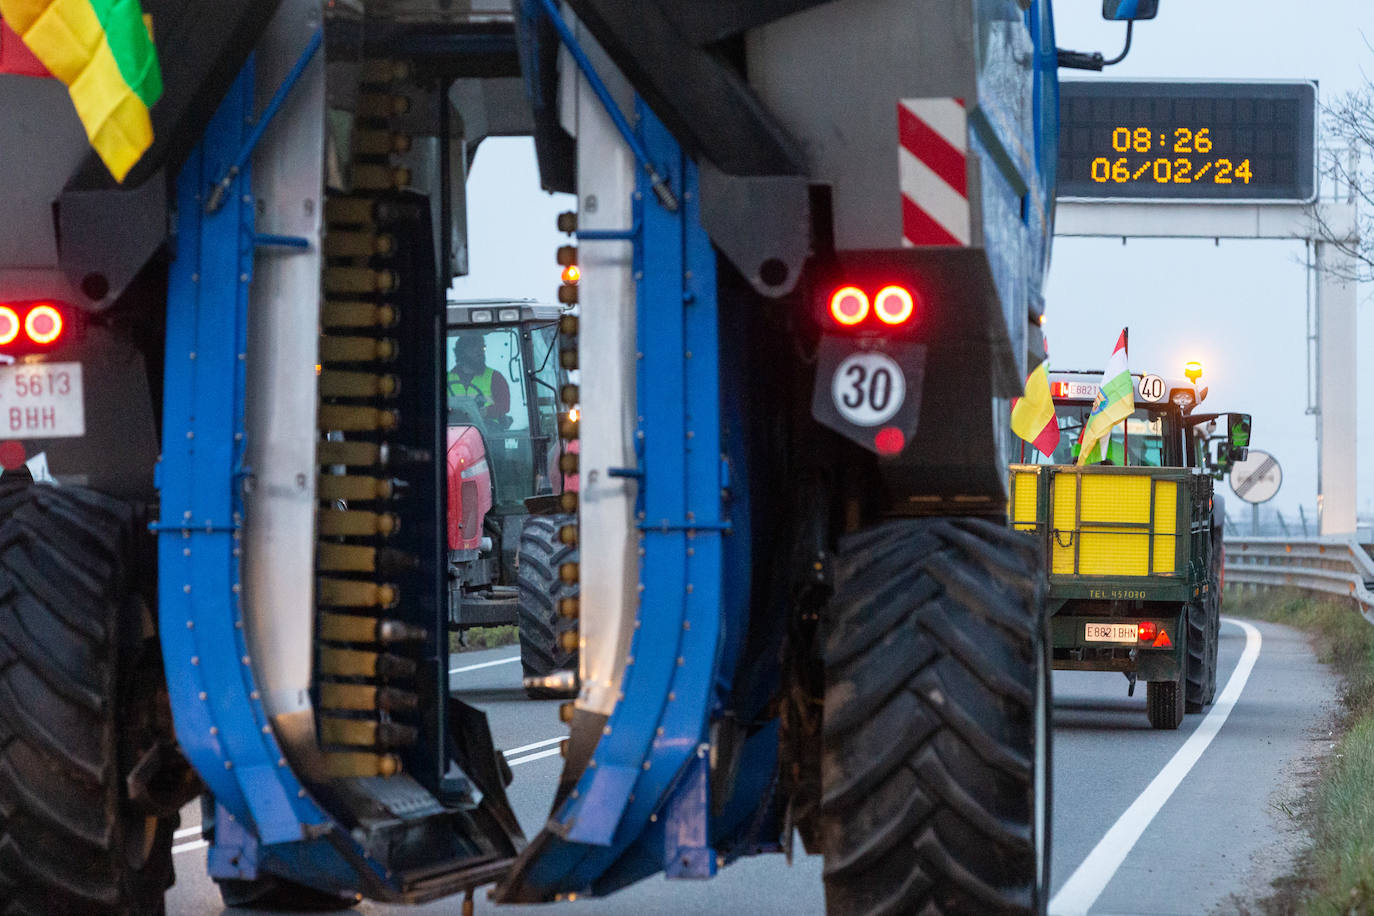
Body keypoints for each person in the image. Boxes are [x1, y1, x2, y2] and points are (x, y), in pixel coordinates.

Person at [447, 334, 510, 422]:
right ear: (461, 352)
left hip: (489, 430)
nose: (479, 352)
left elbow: (504, 405)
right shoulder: (446, 379)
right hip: (454, 430)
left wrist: (486, 412)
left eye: (482, 348)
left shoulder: (495, 377)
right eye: (473, 348)